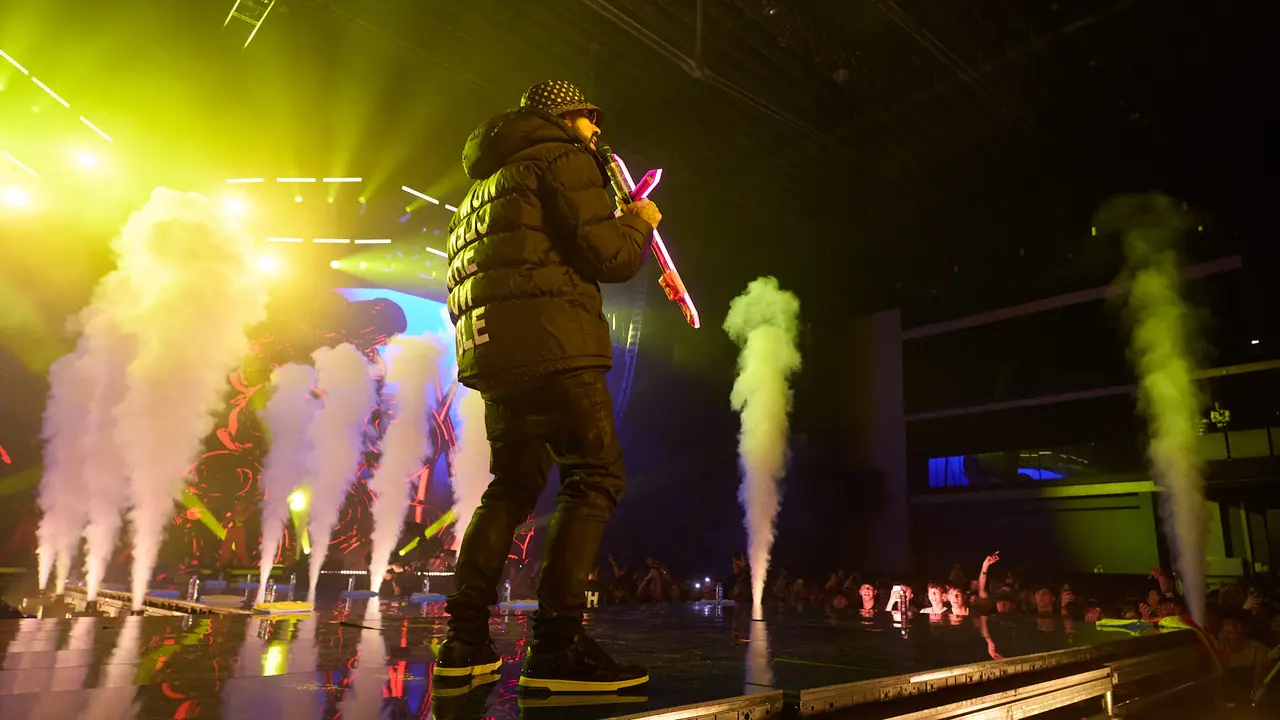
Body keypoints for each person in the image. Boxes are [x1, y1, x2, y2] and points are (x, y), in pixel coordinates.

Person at [435, 80, 662, 693]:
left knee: (509, 488)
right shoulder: (562, 157)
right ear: (570, 116)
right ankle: (557, 647)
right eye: (592, 119)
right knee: (594, 478)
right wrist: (638, 221)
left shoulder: (476, 193)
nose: (598, 133)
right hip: (555, 346)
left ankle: (464, 640)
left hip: (495, 357)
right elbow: (609, 259)